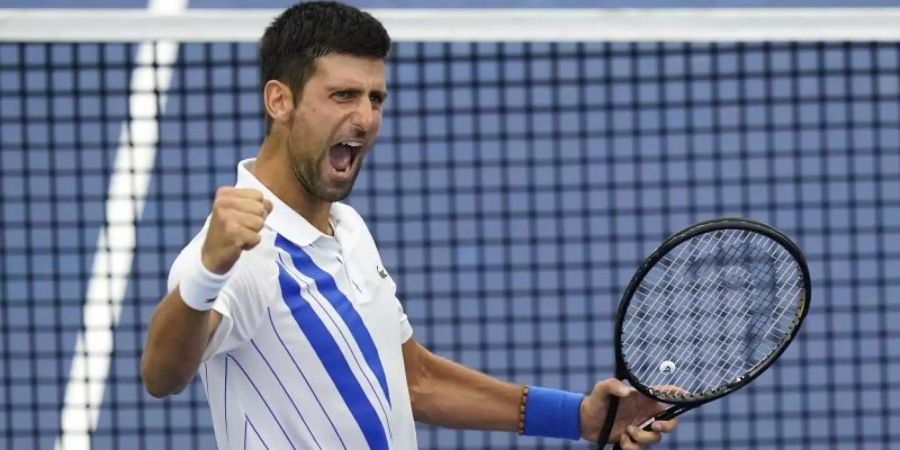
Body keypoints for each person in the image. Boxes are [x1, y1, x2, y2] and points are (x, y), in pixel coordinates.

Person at [140, 2, 677, 449]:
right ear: (280, 100)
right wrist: (209, 271)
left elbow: (413, 379)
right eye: (343, 95)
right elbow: (162, 375)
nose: (367, 118)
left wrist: (577, 418)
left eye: (376, 98)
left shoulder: (347, 229)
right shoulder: (240, 255)